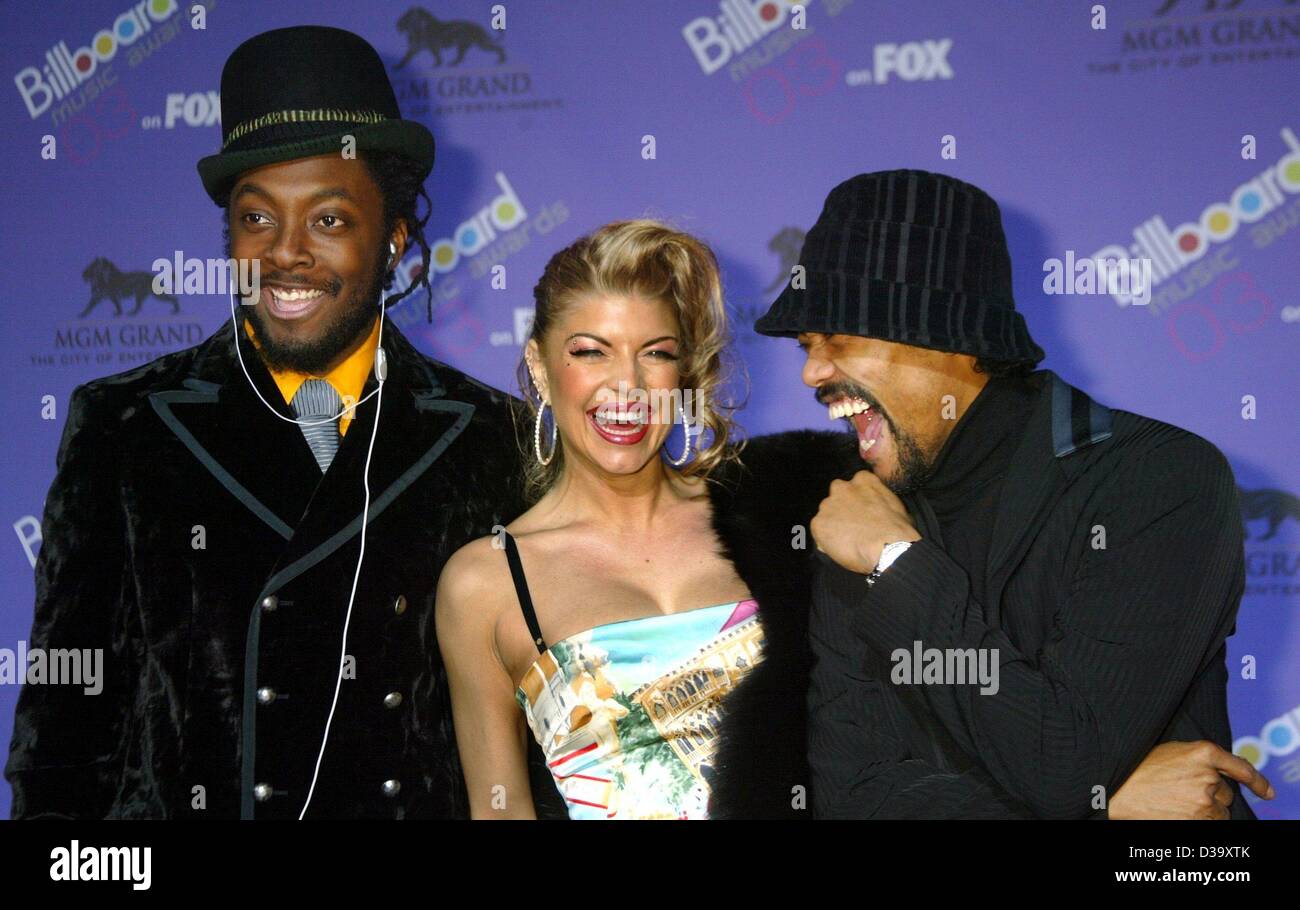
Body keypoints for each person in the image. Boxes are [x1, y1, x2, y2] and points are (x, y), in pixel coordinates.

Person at [436, 218, 1259, 821]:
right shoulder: (485, 582)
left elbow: (927, 738)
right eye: (589, 352)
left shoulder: (803, 503)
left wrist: (1091, 794)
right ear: (541, 369)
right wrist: (1103, 805)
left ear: (690, 370)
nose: (626, 386)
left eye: (655, 353)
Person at [5, 26, 528, 819]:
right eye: (257, 219)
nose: (285, 255)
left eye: (328, 220)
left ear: (393, 237)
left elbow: (541, 741)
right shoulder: (125, 426)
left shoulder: (492, 437)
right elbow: (59, 748)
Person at [722, 168, 1271, 819]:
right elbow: (859, 796)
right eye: (809, 346)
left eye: (838, 340)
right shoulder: (856, 512)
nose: (813, 371)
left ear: (948, 337)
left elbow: (1064, 761)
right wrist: (1110, 805)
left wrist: (900, 564)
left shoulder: (1157, 481)